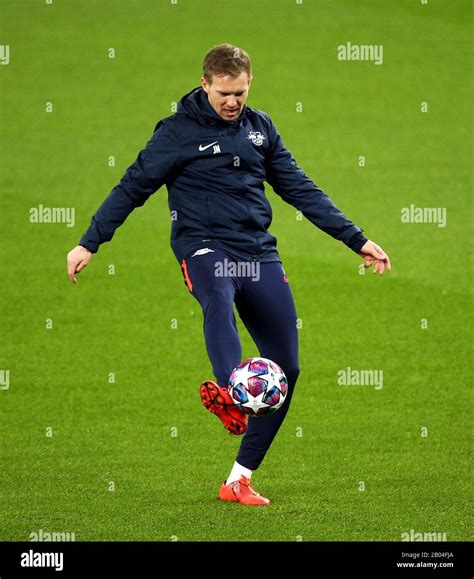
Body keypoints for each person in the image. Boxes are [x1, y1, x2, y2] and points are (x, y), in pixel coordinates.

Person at [67, 44, 391, 506]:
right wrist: (90, 241)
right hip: (202, 245)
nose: (232, 102)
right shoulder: (177, 133)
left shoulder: (261, 130)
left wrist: (356, 238)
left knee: (288, 368)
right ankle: (230, 391)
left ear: (249, 83)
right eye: (223, 93)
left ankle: (238, 479)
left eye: (239, 92)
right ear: (205, 84)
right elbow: (133, 185)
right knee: (217, 296)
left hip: (256, 252)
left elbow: (300, 188)